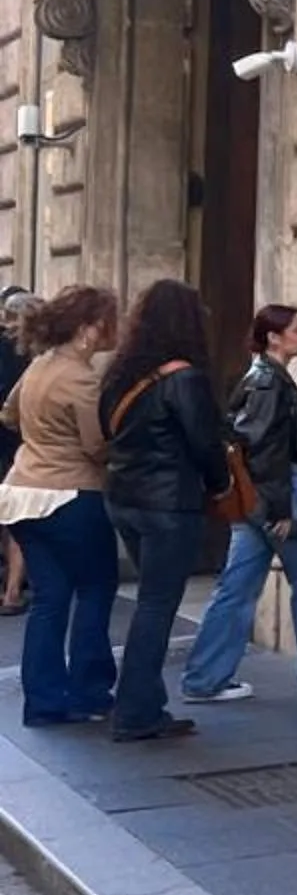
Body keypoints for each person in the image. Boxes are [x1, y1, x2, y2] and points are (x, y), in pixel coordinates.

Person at [184, 307, 297, 702]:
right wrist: (280, 509)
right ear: (274, 338)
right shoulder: (269, 383)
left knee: (236, 587)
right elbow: (265, 451)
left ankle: (205, 678)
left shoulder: (259, 378)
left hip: (259, 496)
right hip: (279, 492)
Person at [98, 281, 236, 742]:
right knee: (157, 606)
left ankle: (144, 702)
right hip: (169, 503)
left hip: (123, 498)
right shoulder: (184, 378)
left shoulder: (120, 372)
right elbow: (204, 442)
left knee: (149, 603)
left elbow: (105, 429)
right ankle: (136, 712)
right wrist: (222, 485)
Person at [0, 285, 120, 726]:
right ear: (89, 329)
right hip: (71, 493)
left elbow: (9, 414)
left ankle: (44, 700)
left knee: (50, 598)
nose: (116, 328)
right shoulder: (82, 378)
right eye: (110, 319)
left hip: (22, 492)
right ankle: (90, 690)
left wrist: (41, 436)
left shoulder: (38, 367)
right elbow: (95, 446)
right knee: (95, 587)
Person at [0, 288, 38, 616]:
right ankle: (12, 591)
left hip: (12, 444)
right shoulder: (36, 355)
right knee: (16, 519)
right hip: (21, 448)